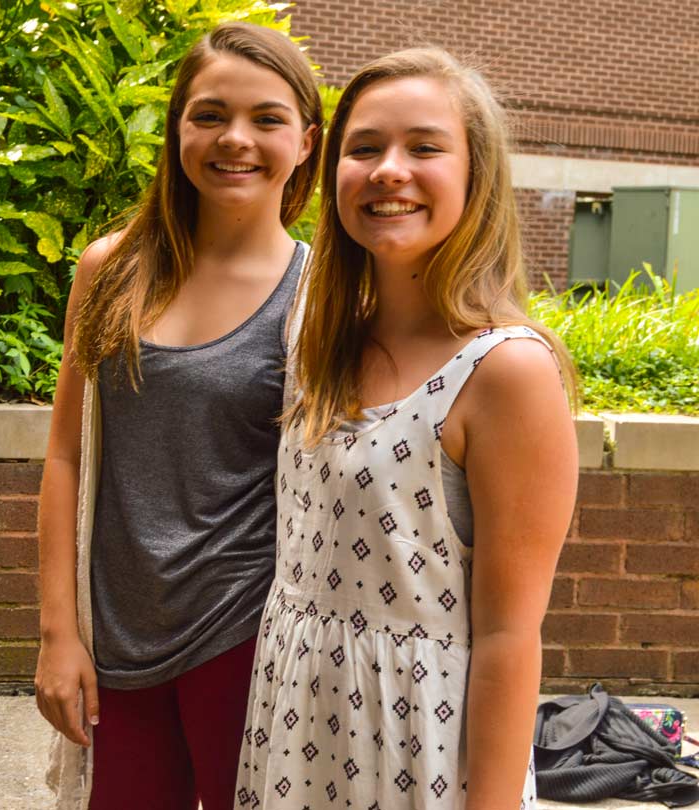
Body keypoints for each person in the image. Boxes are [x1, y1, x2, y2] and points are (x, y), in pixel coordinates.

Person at [234, 48, 578, 809]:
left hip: (419, 742)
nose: (389, 169)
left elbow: (509, 639)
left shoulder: (507, 372)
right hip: (294, 716)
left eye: (424, 147)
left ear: (474, 175)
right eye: (364, 148)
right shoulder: (315, 336)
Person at [36, 22, 321, 810]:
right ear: (176, 129)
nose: (236, 139)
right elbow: (66, 458)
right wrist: (59, 635)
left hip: (248, 640)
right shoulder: (110, 268)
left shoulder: (323, 295)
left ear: (306, 141)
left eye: (267, 119)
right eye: (209, 114)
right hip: (116, 641)